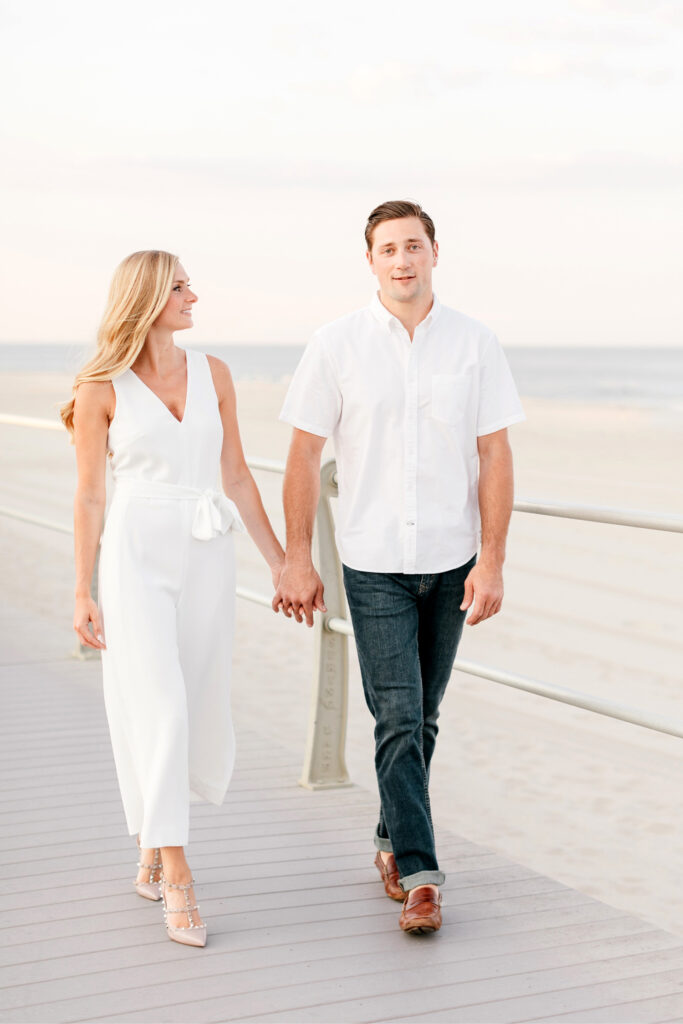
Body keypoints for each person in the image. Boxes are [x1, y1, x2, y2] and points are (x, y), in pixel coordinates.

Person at [273, 200, 525, 934]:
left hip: (452, 559)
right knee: (398, 713)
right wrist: (296, 555)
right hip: (374, 559)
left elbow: (495, 455)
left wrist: (493, 561)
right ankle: (420, 875)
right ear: (371, 261)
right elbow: (301, 453)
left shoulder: (475, 344)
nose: (401, 260)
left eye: (412, 245)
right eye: (387, 249)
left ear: (434, 252)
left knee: (423, 716)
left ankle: (387, 841)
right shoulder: (336, 344)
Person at [62, 250, 284, 947]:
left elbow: (239, 476)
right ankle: (178, 877)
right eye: (182, 286)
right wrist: (81, 588)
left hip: (207, 551)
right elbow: (92, 495)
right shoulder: (101, 386)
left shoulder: (214, 373)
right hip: (135, 556)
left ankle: (151, 849)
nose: (195, 295)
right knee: (157, 704)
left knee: (192, 697)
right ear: (150, 298)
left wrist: (283, 563)